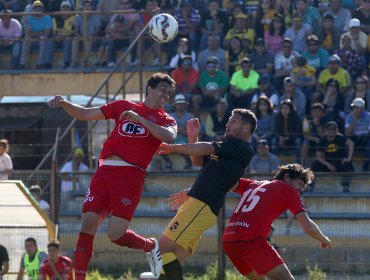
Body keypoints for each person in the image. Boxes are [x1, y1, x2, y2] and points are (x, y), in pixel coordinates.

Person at [48, 73, 177, 279]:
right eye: (163, 89)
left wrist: (140, 119)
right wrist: (64, 103)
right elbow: (84, 113)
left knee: (115, 235)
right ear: (149, 89)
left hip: (130, 176)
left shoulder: (165, 119)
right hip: (104, 172)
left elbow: (169, 136)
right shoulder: (124, 105)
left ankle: (150, 245)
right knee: (87, 226)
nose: (166, 95)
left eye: (169, 93)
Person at [155, 109, 256, 280]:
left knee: (159, 253)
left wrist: (172, 147)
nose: (228, 123)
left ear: (246, 128)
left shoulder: (241, 147)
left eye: (233, 121)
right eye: (229, 119)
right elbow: (198, 161)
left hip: (200, 207)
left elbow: (205, 148)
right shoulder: (228, 147)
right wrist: (193, 137)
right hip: (197, 206)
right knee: (166, 260)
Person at [223, 163, 332, 279]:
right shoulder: (289, 190)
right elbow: (308, 227)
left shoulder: (254, 184)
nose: (301, 189)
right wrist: (324, 239)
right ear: (287, 177)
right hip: (251, 240)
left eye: (303, 186)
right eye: (300, 183)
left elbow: (228, 182)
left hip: (229, 241)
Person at [310, 121, 354, 192]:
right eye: (329, 129)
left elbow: (351, 143)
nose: (331, 131)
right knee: (315, 164)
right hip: (328, 163)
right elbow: (318, 157)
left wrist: (349, 158)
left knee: (347, 164)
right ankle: (310, 186)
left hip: (340, 163)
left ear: (337, 130)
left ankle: (345, 186)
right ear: (326, 131)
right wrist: (328, 165)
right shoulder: (323, 140)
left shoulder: (341, 138)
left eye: (333, 129)